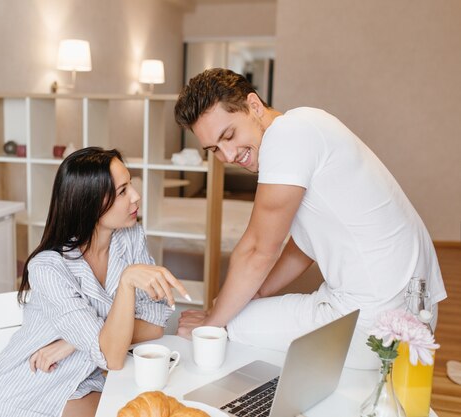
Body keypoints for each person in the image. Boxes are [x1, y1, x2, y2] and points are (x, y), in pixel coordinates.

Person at [174, 68, 446, 369]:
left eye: (229, 135)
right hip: (414, 305)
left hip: (375, 316)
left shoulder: (286, 135)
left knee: (226, 330)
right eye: (214, 149)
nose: (226, 155)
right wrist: (254, 294)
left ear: (253, 105)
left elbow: (256, 250)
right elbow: (302, 248)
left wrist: (212, 322)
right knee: (236, 311)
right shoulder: (306, 125)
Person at [0, 147, 188, 417]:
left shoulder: (130, 236)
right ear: (89, 203)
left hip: (88, 370)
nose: (136, 196)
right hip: (36, 381)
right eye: (122, 191)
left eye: (131, 185)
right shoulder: (47, 267)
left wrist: (74, 342)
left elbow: (155, 325)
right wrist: (126, 283)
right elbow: (112, 354)